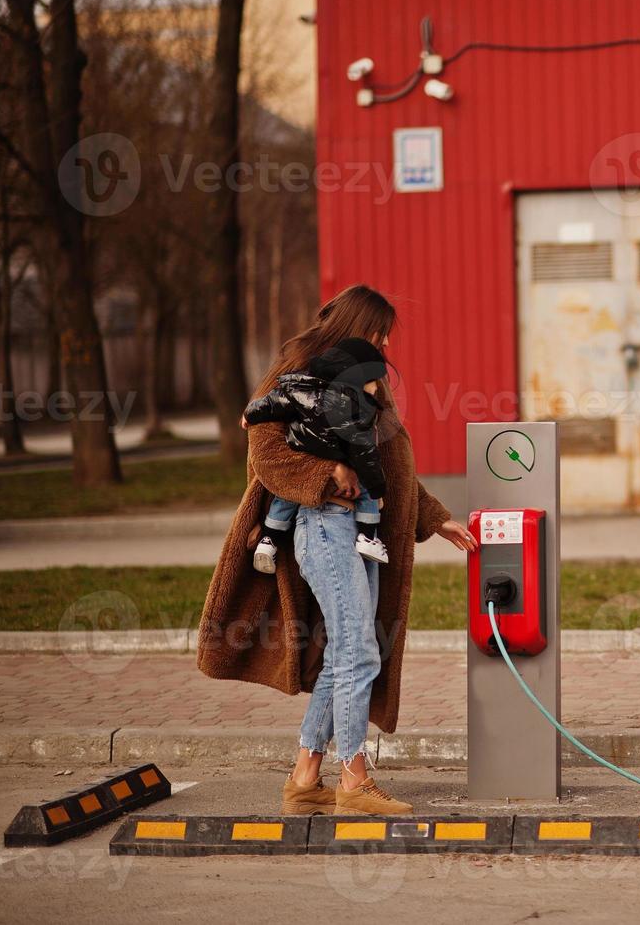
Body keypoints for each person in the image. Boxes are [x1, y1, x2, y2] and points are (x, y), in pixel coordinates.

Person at [198, 285, 478, 817]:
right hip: (323, 527)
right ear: (356, 327)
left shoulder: (364, 379)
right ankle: (354, 778)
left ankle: (305, 778)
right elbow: (268, 458)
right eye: (379, 331)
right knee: (358, 650)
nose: (386, 342)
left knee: (345, 651)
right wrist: (330, 472)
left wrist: (437, 520)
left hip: (361, 534)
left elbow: (392, 469)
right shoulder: (296, 376)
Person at [243, 338, 391, 572]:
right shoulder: (355, 407)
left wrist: (250, 415)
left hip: (302, 453)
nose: (376, 386)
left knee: (286, 497)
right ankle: (367, 537)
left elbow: (271, 404)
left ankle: (268, 541)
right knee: (368, 493)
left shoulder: (299, 388)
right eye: (372, 380)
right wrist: (377, 487)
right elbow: (364, 451)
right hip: (335, 461)